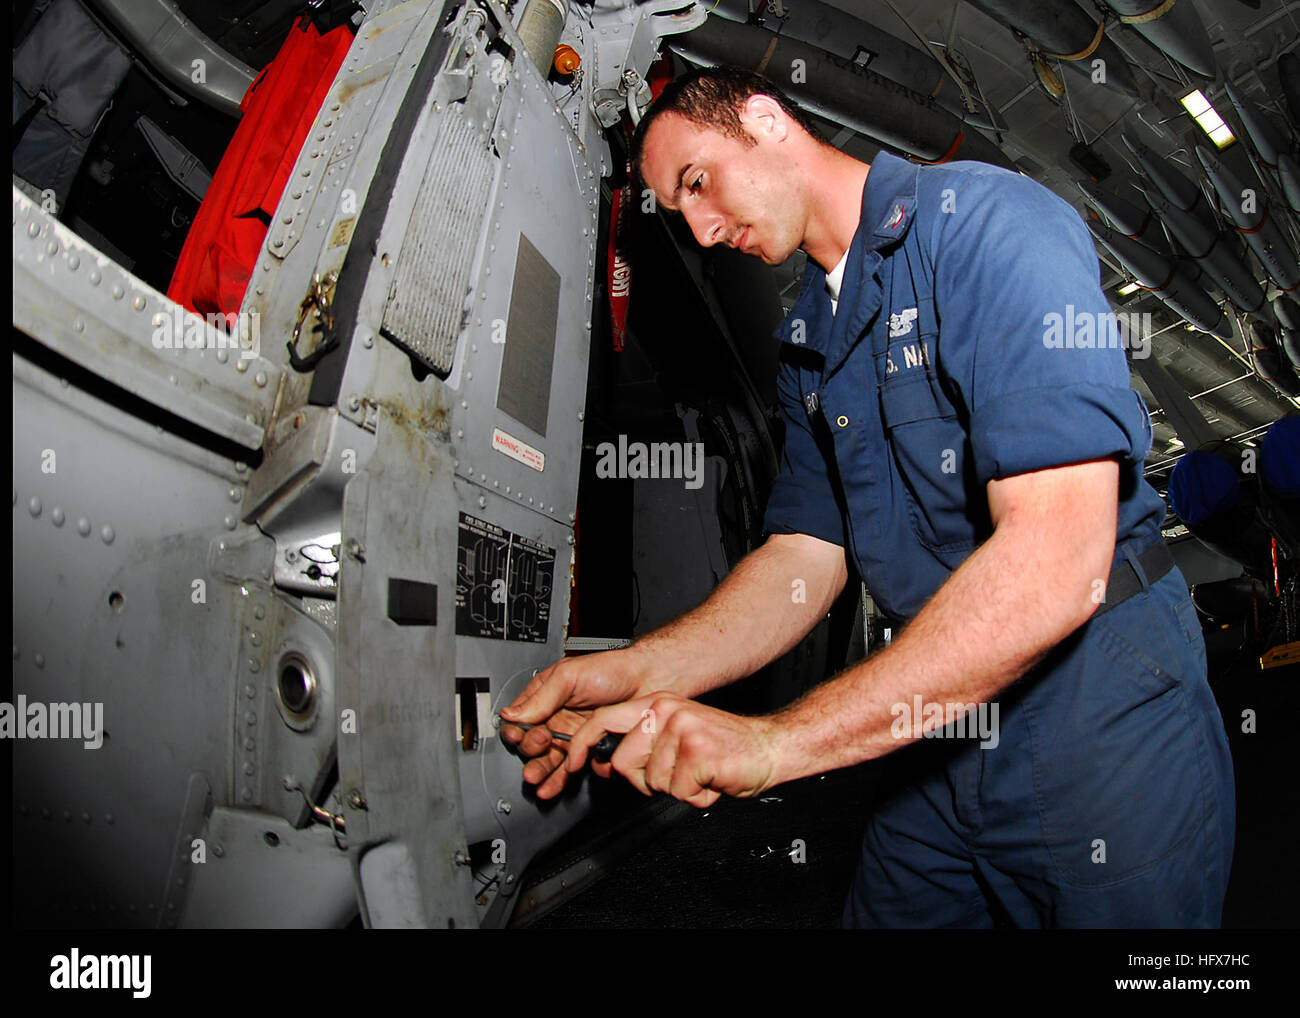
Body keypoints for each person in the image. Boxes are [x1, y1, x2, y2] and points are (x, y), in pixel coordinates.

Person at [501, 66, 1235, 928]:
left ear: (767, 120)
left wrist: (774, 744)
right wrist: (630, 674)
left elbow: (1057, 565)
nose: (699, 227)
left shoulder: (986, 227)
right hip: (937, 723)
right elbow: (801, 563)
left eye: (697, 182)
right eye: (678, 211)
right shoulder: (810, 341)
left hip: (1096, 711)